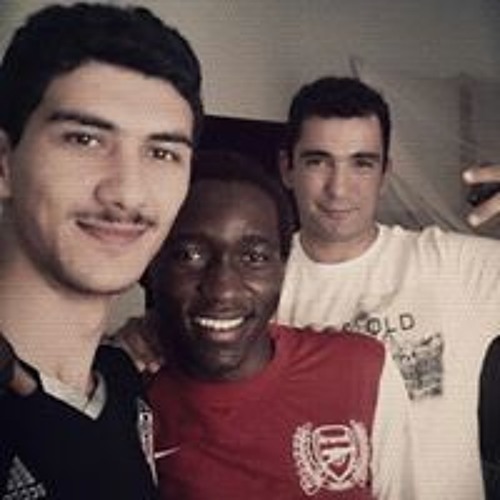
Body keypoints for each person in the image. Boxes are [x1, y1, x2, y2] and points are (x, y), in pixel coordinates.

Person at [0, 3, 201, 498]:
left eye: (162, 152)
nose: (128, 193)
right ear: (4, 164)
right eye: (84, 139)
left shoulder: (121, 382)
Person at [142, 150, 414, 499]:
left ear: (283, 269)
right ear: (152, 265)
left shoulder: (360, 369)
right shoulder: (130, 396)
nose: (223, 289)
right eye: (189, 255)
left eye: (254, 257)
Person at [276, 76, 500, 500]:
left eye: (361, 163)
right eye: (318, 161)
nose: (339, 188)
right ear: (288, 168)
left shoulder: (449, 266)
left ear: (384, 173)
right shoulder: (255, 283)